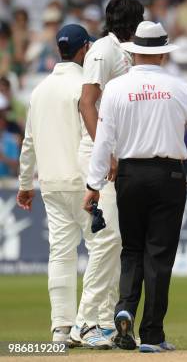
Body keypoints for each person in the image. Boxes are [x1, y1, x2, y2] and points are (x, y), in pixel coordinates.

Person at [83, 21, 187, 353]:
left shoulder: (115, 88)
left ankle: (124, 310)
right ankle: (152, 335)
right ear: (162, 53)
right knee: (158, 255)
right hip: (167, 174)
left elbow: (103, 143)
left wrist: (93, 184)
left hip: (129, 175)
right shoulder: (176, 86)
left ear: (135, 51)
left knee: (131, 251)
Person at [15, 24, 112, 347]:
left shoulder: (39, 90)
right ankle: (91, 323)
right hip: (81, 182)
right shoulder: (84, 88)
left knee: (61, 253)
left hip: (51, 184)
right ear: (85, 49)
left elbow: (28, 142)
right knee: (102, 246)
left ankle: (60, 327)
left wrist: (26, 184)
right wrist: (94, 182)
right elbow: (91, 137)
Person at [74, 0, 144, 345]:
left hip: (118, 154)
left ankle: (102, 321)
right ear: (135, 21)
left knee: (117, 241)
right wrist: (108, 155)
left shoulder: (125, 50)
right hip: (99, 153)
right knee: (108, 239)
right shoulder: (103, 50)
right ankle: (84, 321)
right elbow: (86, 104)